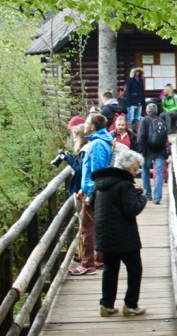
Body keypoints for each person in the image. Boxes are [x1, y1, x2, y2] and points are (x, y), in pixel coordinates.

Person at [93, 149, 148, 317]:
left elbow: (95, 203)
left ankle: (106, 304)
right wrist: (142, 198)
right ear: (128, 166)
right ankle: (130, 305)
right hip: (124, 235)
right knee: (135, 269)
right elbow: (132, 209)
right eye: (136, 168)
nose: (137, 171)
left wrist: (134, 193)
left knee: (110, 269)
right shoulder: (124, 185)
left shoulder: (102, 183)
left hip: (105, 233)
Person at [69, 113, 113, 276]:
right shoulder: (100, 142)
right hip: (94, 191)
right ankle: (99, 259)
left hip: (95, 193)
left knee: (87, 228)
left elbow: (97, 172)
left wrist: (89, 193)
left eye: (87, 123)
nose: (84, 125)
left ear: (93, 127)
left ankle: (88, 263)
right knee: (97, 225)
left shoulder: (97, 145)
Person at [137, 103, 168, 205]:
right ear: (156, 111)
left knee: (145, 171)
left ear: (147, 111)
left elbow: (141, 136)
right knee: (159, 174)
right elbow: (165, 138)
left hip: (147, 151)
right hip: (160, 151)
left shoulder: (144, 120)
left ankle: (148, 195)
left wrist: (140, 150)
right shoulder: (162, 121)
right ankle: (157, 197)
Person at [125, 67, 146, 133]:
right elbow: (127, 92)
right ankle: (130, 134)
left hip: (139, 102)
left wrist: (143, 102)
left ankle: (138, 134)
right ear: (133, 72)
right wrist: (128, 103)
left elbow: (142, 92)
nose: (137, 73)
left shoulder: (140, 80)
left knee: (138, 118)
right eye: (136, 71)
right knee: (130, 118)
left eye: (138, 71)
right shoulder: (130, 80)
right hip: (131, 102)